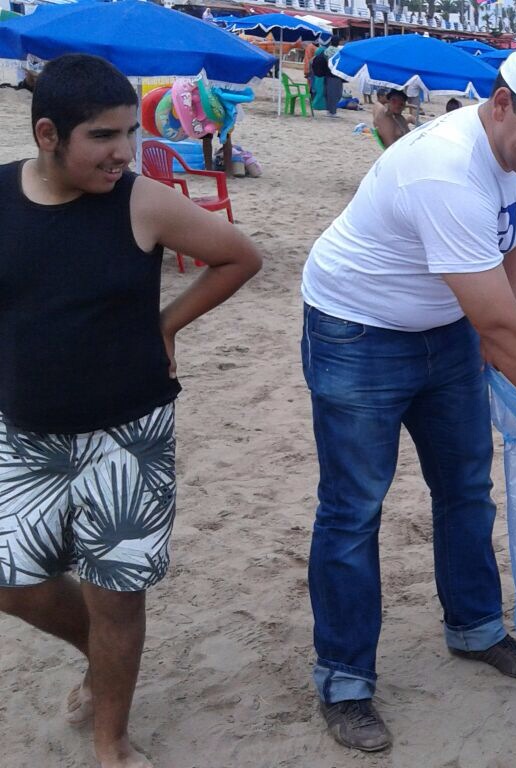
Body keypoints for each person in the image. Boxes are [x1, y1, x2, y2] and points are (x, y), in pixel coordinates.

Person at [299, 41, 516, 753]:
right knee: (354, 507)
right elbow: (499, 321)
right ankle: (343, 679)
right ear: (500, 106)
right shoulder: (445, 169)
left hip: (448, 324)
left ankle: (476, 628)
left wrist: (493, 333)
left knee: (466, 485)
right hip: (356, 328)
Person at [0, 54, 262, 768]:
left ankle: (110, 739)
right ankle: (103, 656)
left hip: (128, 435)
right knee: (13, 585)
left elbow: (239, 257)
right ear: (49, 134)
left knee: (117, 598)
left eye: (128, 133)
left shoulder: (140, 201)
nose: (123, 152)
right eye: (104, 137)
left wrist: (167, 323)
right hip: (24, 433)